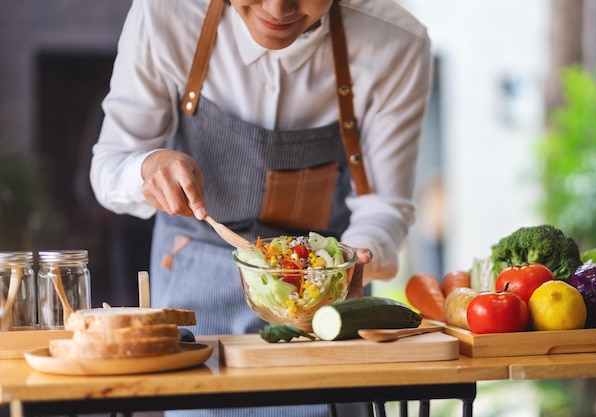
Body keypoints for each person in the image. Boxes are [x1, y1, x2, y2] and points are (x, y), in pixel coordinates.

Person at [90, 0, 431, 416]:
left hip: (325, 305)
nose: (277, 7)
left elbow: (385, 204)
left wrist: (350, 264)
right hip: (196, 289)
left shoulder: (395, 42)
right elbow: (109, 167)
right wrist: (147, 166)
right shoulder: (167, 13)